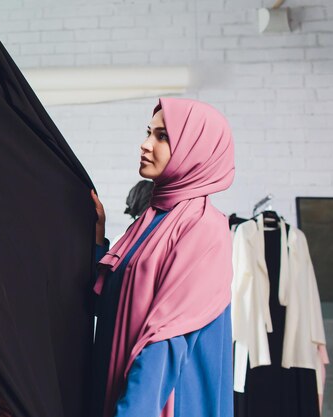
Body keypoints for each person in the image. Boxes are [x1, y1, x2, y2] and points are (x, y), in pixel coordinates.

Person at [90, 98, 235, 417]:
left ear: (196, 148)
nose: (145, 145)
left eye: (162, 136)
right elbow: (105, 304)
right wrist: (97, 236)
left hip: (162, 400)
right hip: (119, 389)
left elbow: (166, 341)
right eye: (148, 133)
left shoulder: (204, 227)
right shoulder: (149, 220)